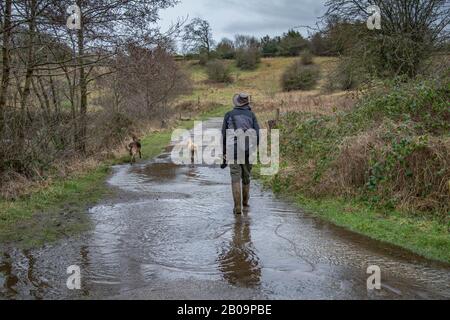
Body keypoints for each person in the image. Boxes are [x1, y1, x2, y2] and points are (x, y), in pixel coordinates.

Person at [222, 93, 260, 215]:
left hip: (233, 151)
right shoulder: (251, 115)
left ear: (237, 103)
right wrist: (254, 148)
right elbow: (258, 135)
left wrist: (224, 152)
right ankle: (245, 203)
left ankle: (237, 207)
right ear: (247, 103)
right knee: (246, 177)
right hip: (248, 150)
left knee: (235, 178)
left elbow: (223, 136)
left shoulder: (228, 115)